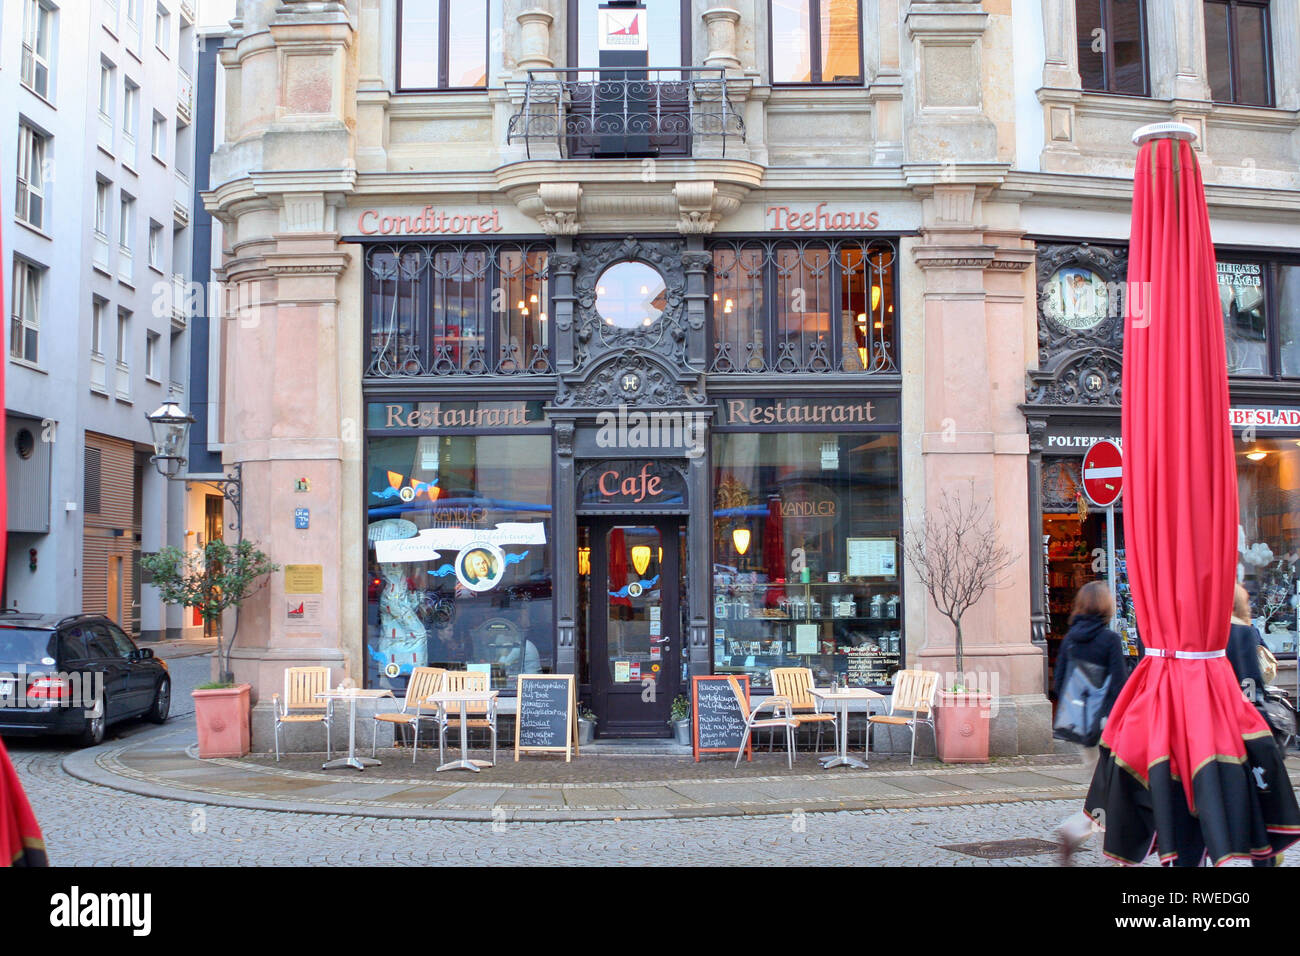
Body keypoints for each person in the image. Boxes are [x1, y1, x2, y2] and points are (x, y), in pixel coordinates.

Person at [1054, 580, 1130, 864]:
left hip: (1081, 729)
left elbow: (1060, 682)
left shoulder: (1071, 638)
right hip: (1108, 728)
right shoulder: (1110, 640)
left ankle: (1110, 854)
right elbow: (1119, 687)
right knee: (1110, 793)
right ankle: (1076, 831)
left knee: (1104, 791)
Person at [1227, 582, 1285, 867]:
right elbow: (1255, 678)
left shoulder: (1210, 634)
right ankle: (1265, 856)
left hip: (1217, 724)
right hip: (1247, 723)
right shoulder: (1246, 632)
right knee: (1259, 793)